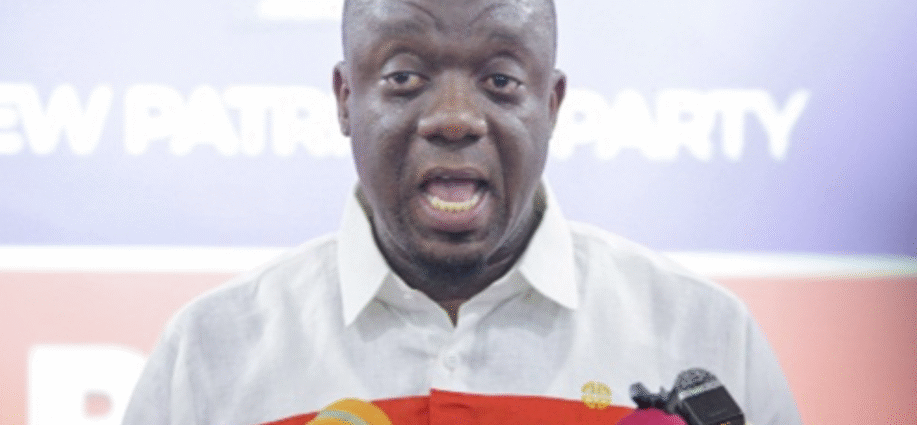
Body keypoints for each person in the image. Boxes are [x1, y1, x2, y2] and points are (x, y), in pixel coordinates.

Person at [123, 0, 802, 424]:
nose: (454, 118)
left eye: (501, 80)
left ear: (552, 104)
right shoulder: (209, 354)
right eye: (404, 78)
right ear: (345, 99)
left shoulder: (707, 334)